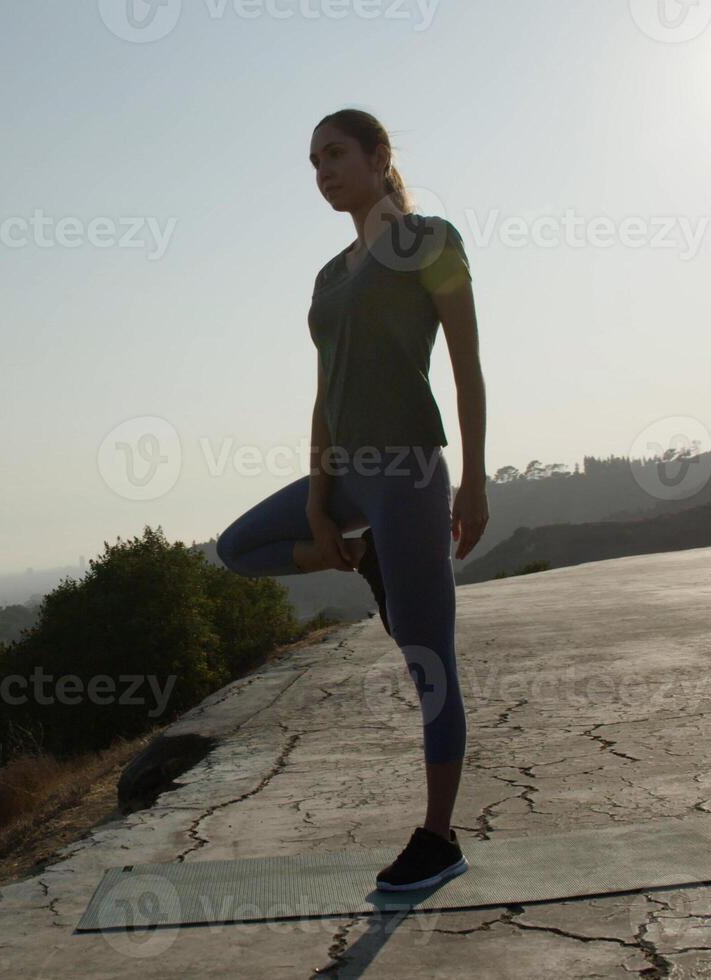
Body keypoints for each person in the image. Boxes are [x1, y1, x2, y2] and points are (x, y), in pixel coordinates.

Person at [214, 108, 490, 892]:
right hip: (345, 476)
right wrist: (317, 503)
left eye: (335, 154)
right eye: (312, 162)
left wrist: (473, 479)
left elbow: (467, 366)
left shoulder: (431, 241)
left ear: (377, 157)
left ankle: (439, 838)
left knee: (428, 659)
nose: (322, 172)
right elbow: (322, 394)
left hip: (408, 471)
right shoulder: (329, 275)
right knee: (238, 548)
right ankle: (355, 552)